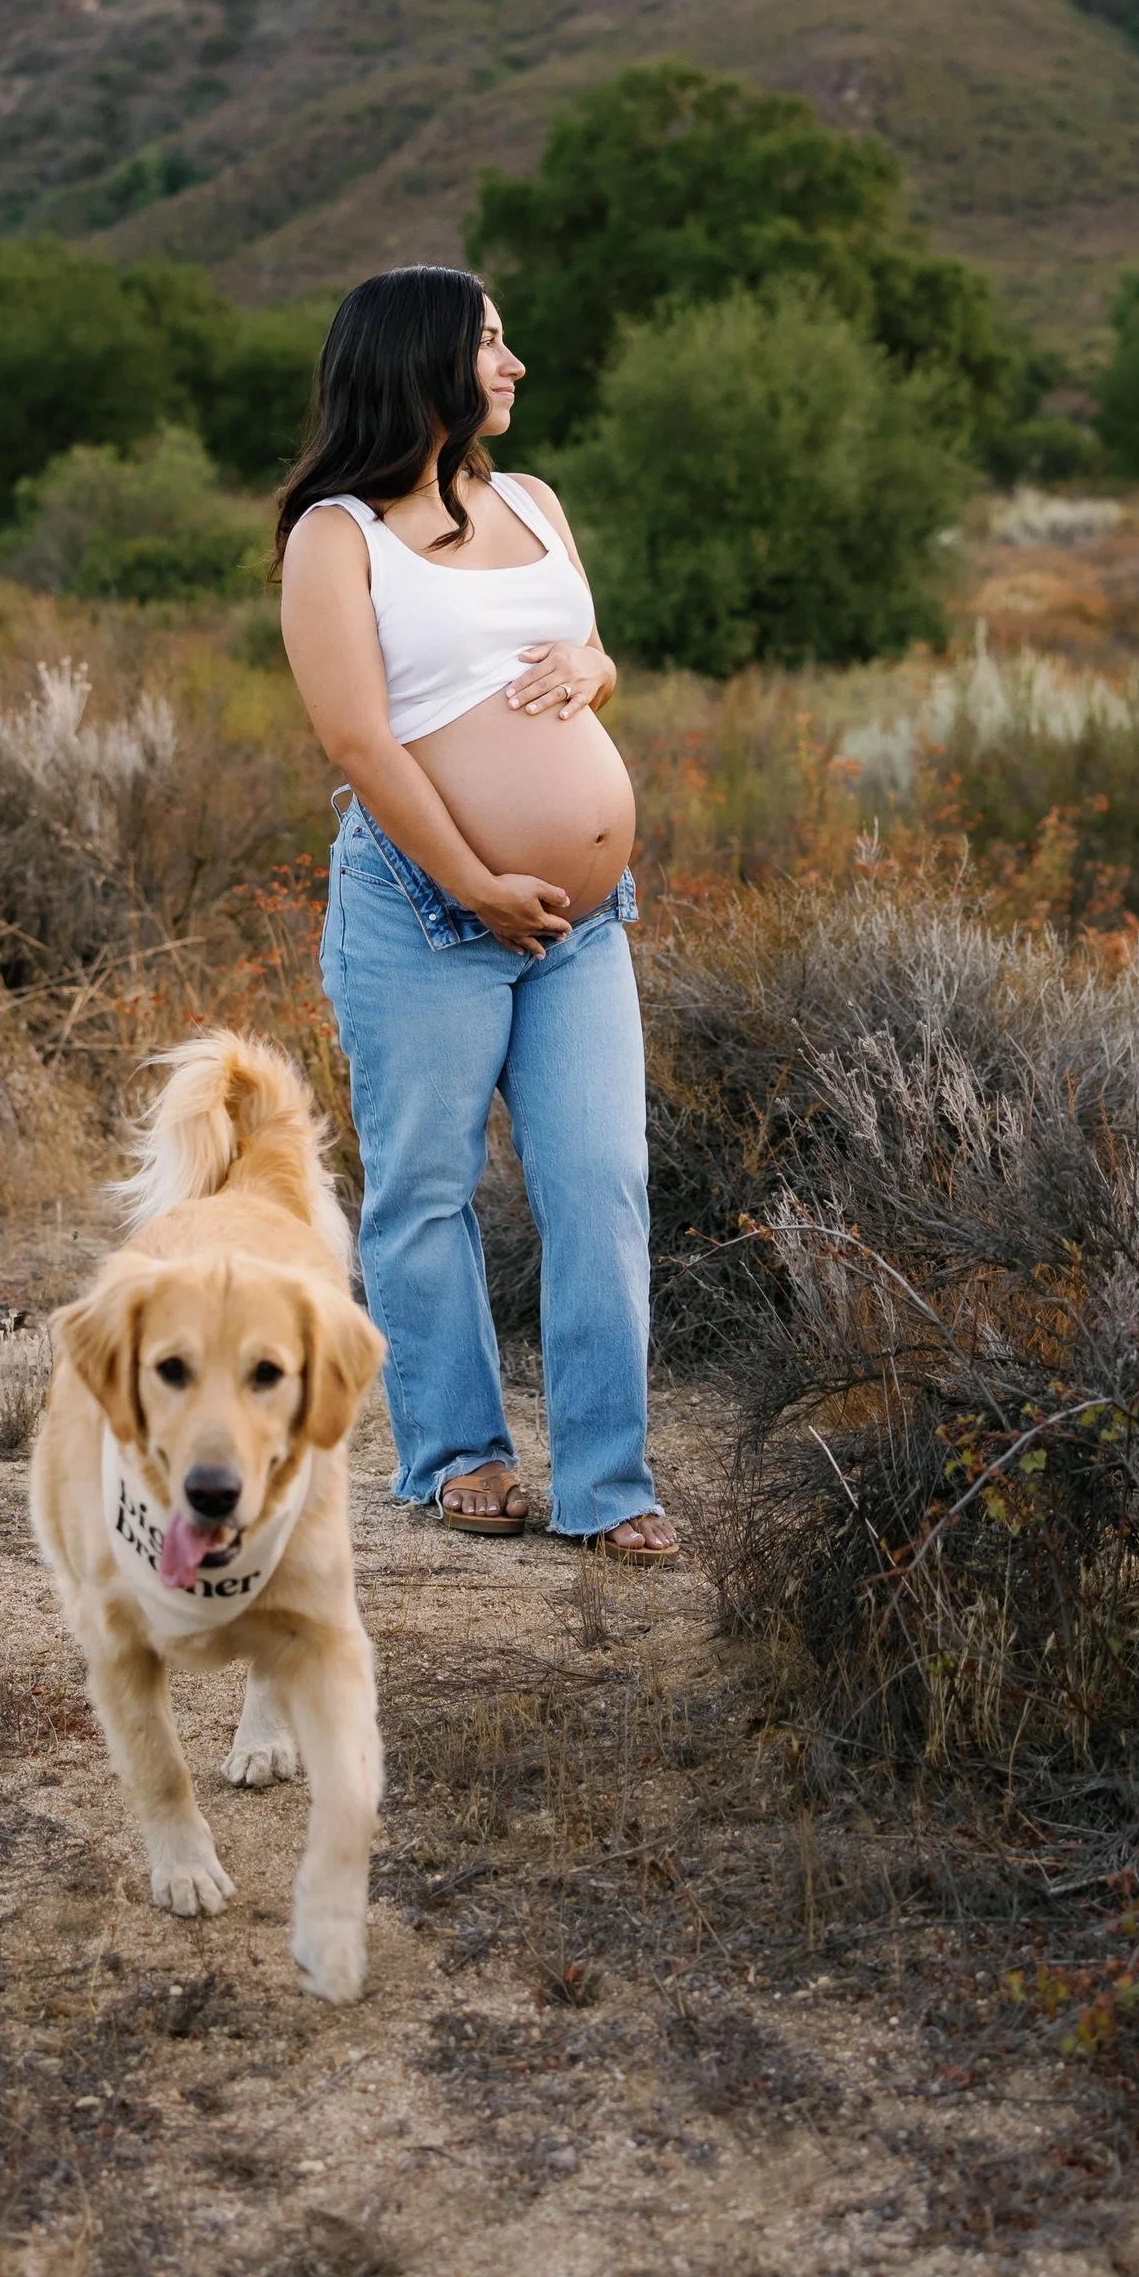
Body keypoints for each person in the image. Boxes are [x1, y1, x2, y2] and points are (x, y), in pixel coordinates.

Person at [277, 267, 675, 1554]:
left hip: (581, 926)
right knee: (424, 1188)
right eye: (491, 345)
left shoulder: (537, 500)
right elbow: (357, 740)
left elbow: (583, 653)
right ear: (423, 364)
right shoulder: (335, 536)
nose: (511, 366)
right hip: (424, 914)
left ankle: (610, 1485)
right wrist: (474, 885)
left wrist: (596, 666)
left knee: (601, 1182)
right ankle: (459, 1456)